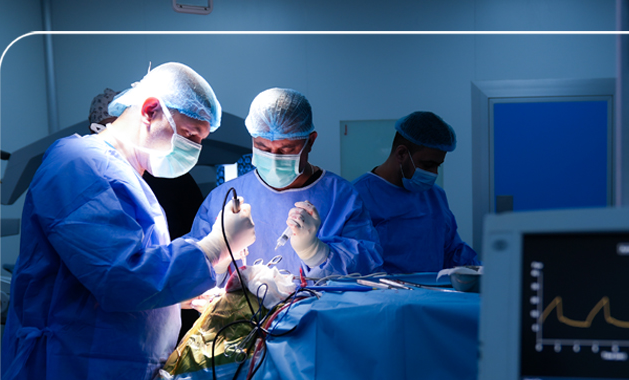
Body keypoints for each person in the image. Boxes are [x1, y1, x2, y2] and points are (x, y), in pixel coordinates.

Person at [0, 62, 255, 380]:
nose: (194, 150)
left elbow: (125, 272)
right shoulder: (78, 164)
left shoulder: (128, 176)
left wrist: (183, 297)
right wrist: (216, 247)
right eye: (190, 136)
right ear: (151, 109)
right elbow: (121, 276)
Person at [190, 87, 383, 279]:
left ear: (310, 141)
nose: (274, 158)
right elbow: (191, 272)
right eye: (263, 147)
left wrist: (315, 252)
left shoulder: (341, 196)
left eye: (287, 149)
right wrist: (219, 263)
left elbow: (369, 266)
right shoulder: (222, 199)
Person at [90, 88, 206, 340]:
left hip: (160, 316)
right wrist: (213, 249)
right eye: (190, 133)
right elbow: (117, 280)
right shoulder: (85, 172)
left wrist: (182, 288)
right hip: (99, 342)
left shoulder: (168, 176)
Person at [353, 111, 480, 274]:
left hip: (432, 289)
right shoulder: (358, 196)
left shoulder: (435, 196)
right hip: (382, 290)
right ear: (401, 154)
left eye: (438, 165)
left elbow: (453, 252)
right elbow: (357, 264)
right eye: (428, 165)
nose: (434, 173)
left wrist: (480, 272)